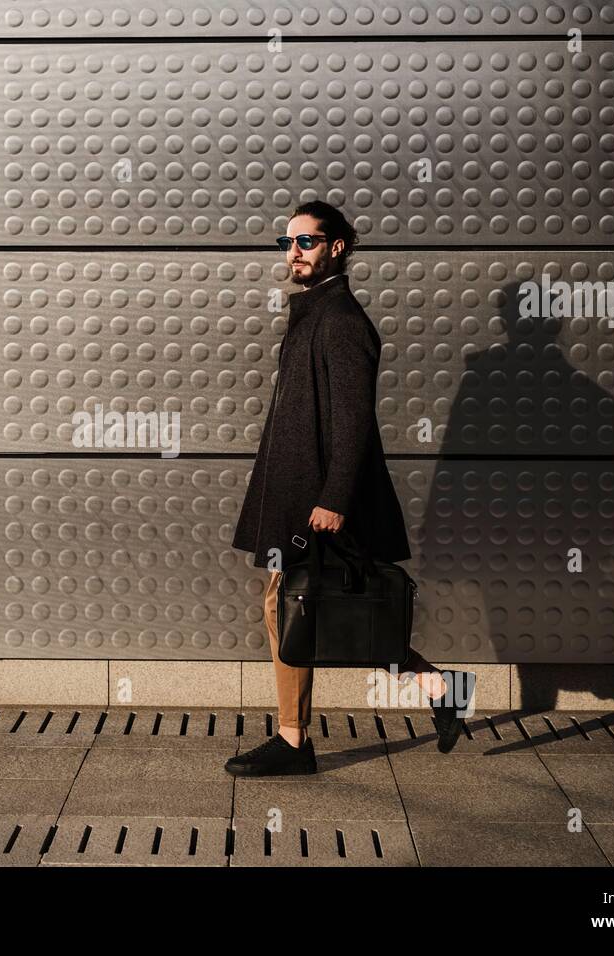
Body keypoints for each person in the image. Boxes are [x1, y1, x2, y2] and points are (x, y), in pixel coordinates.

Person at [227, 200, 475, 776]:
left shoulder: (340, 322)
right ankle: (437, 690)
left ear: (337, 246)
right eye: (287, 243)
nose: (294, 252)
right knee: (307, 606)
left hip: (317, 500)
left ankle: (294, 740)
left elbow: (353, 420)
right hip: (301, 495)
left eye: (306, 242)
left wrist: (335, 497)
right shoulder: (314, 315)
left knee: (300, 606)